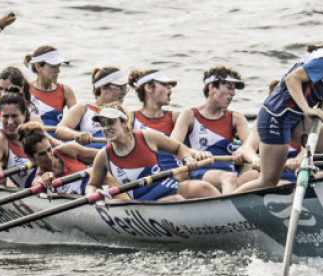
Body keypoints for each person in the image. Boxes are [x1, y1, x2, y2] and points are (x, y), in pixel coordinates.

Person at [236, 23, 323, 194]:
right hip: (277, 117)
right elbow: (292, 79)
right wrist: (307, 109)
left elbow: (317, 84)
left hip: (293, 117)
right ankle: (226, 208)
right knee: (268, 180)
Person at [85, 104, 220, 202]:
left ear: (125, 123)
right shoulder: (104, 155)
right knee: (176, 200)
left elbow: (179, 148)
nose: (106, 128)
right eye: (103, 124)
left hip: (168, 186)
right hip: (144, 203)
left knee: (203, 187)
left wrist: (187, 158)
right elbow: (92, 184)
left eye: (111, 123)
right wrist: (91, 195)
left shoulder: (147, 137)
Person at [170, 66, 255, 194]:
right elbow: (173, 146)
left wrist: (241, 150)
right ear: (211, 87)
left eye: (234, 89)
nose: (233, 93)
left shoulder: (236, 117)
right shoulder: (189, 115)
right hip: (200, 172)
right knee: (229, 178)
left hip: (230, 174)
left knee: (258, 175)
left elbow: (250, 146)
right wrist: (195, 153)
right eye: (229, 87)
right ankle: (229, 212)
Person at [56, 67, 128, 149]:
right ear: (103, 87)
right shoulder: (82, 109)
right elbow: (60, 130)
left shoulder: (125, 114)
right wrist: (77, 135)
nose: (124, 92)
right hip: (89, 156)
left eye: (125, 87)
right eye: (119, 88)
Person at [18, 122, 99, 195]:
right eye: (42, 154)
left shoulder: (68, 149)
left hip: (102, 186)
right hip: (87, 202)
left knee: (105, 176)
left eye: (49, 149)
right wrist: (44, 180)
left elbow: (104, 156)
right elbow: (36, 184)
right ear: (31, 158)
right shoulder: (38, 179)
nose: (49, 157)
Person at [128, 69, 182, 172]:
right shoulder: (132, 117)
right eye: (164, 84)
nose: (169, 88)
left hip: (176, 172)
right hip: (147, 173)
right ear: (148, 88)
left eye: (170, 85)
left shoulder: (176, 117)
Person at [0, 93, 38, 189]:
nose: (10, 122)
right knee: (0, 179)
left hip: (52, 183)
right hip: (34, 192)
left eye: (14, 116)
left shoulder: (35, 131)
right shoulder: (0, 141)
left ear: (24, 115)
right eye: (5, 116)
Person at [24, 45, 78, 127]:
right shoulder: (25, 90)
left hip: (56, 137)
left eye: (59, 66)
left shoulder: (66, 91)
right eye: (53, 66)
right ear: (38, 67)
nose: (58, 71)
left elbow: (78, 121)